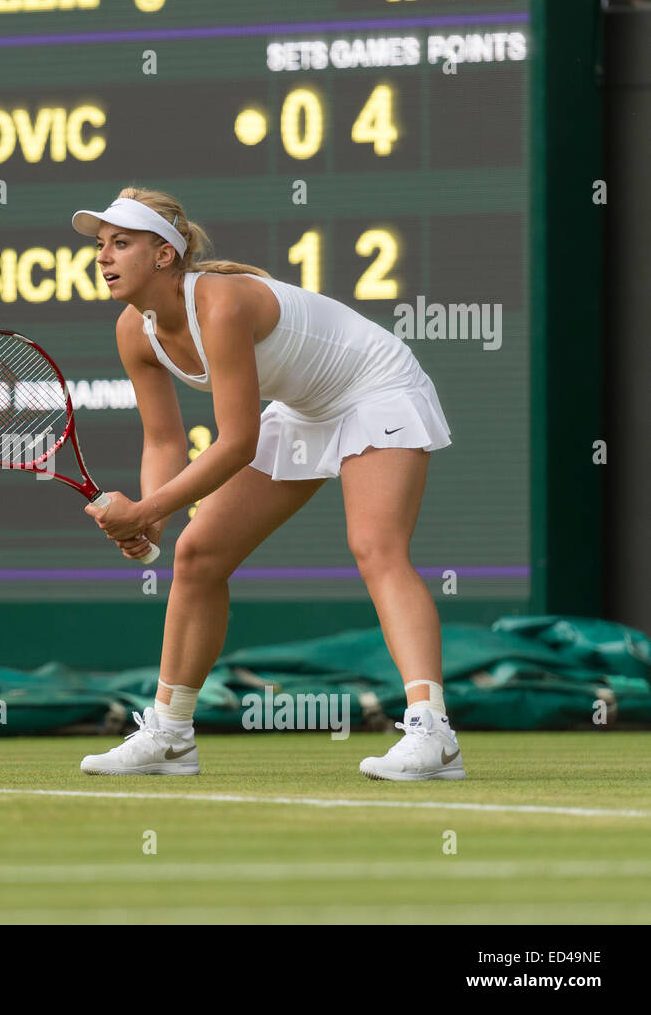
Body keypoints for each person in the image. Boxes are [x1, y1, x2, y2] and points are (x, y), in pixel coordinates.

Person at [74, 186, 463, 782]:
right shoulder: (133, 330)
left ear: (164, 255)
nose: (102, 256)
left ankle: (433, 735)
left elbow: (238, 442)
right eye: (100, 245)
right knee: (198, 553)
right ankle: (171, 735)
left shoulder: (222, 304)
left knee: (376, 547)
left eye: (120, 243)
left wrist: (148, 506)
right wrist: (155, 517)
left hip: (375, 386)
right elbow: (163, 443)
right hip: (304, 408)